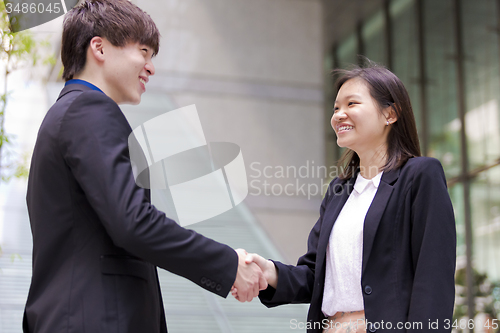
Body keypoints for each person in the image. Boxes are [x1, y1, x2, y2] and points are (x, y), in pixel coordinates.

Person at [23, 1, 265, 332]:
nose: (151, 67)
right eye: (144, 51)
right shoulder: (89, 110)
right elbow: (133, 222)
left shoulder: (66, 114)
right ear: (100, 47)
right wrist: (227, 264)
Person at [233, 61, 457, 333]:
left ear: (390, 114)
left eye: (352, 104)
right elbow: (317, 276)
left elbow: (433, 278)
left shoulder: (420, 175)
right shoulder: (339, 191)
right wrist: (270, 272)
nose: (339, 115)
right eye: (336, 107)